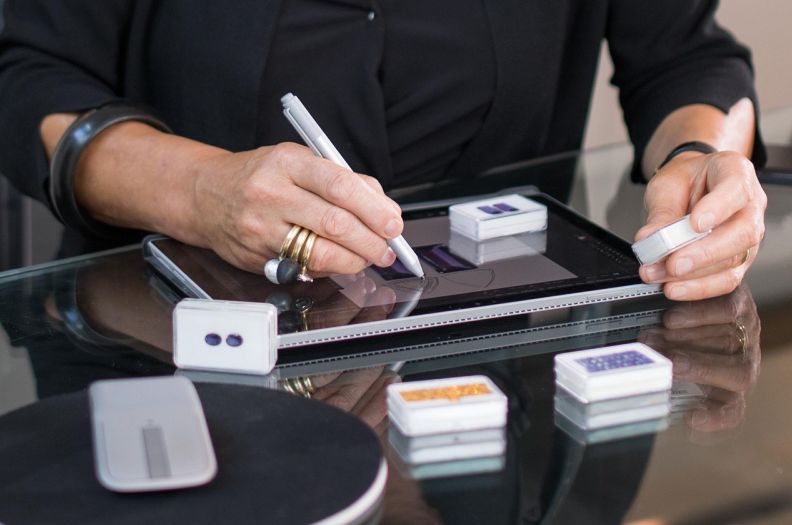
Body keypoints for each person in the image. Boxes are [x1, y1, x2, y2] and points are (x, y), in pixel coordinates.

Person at [0, 0, 767, 301]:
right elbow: (26, 76)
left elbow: (682, 56)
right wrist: (200, 191)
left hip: (500, 373)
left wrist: (700, 155)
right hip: (166, 349)